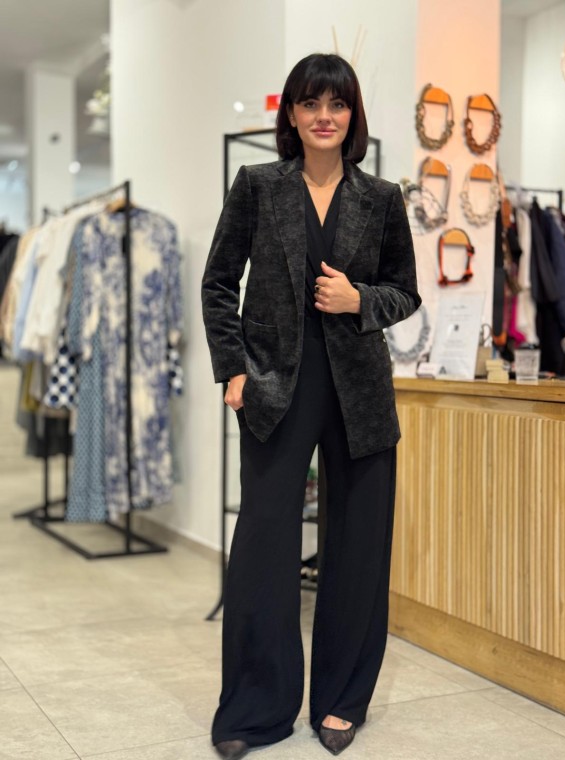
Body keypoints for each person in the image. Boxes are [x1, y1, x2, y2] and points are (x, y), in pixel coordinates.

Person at [201, 53, 421, 759]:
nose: (324, 116)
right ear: (292, 115)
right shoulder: (258, 185)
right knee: (263, 547)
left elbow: (405, 291)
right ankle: (254, 709)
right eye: (310, 103)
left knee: (357, 551)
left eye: (338, 104)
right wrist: (233, 369)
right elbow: (217, 282)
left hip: (361, 398)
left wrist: (360, 300)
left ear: (352, 116)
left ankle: (341, 701)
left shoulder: (381, 197)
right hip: (274, 391)